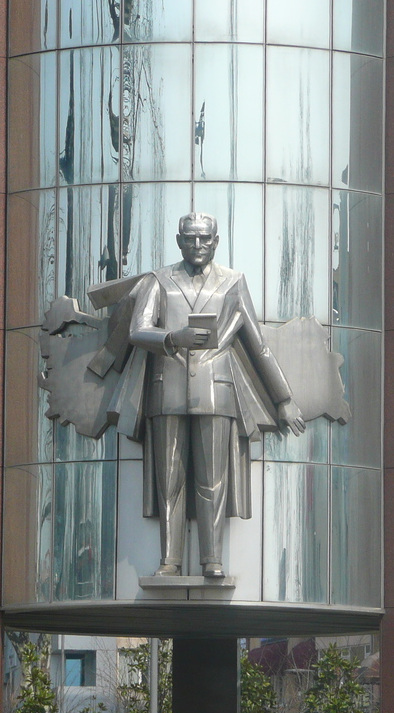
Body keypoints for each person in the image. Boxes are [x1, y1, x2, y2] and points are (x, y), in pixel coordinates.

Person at [128, 212, 304, 578]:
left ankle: (212, 559)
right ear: (178, 240)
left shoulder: (233, 283)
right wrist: (171, 338)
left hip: (216, 392)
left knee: (212, 480)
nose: (197, 245)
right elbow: (138, 330)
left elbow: (257, 345)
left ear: (216, 241)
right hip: (168, 389)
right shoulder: (158, 281)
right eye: (190, 238)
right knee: (169, 481)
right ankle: (170, 560)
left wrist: (284, 399)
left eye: (204, 239)